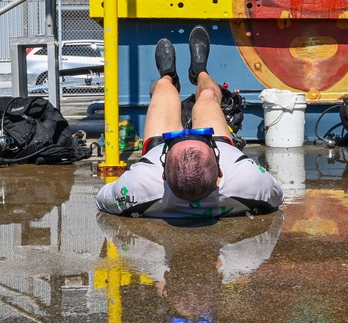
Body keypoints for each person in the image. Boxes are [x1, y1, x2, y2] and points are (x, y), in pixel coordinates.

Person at [96, 26, 284, 218]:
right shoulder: (250, 181)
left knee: (162, 89)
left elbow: (102, 199)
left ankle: (168, 78)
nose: (190, 133)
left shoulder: (139, 184)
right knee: (208, 96)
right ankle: (200, 72)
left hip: (159, 158)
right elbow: (278, 196)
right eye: (201, 135)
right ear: (220, 170)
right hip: (219, 152)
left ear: (162, 174)